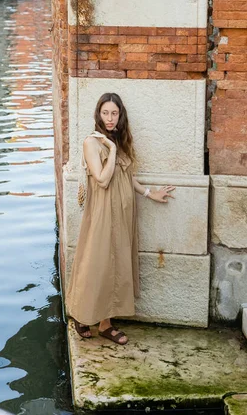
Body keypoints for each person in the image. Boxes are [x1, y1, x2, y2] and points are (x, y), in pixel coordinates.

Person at [66, 92, 175, 345]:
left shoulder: (121, 140)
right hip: (103, 212)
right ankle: (83, 316)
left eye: (114, 113)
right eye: (105, 113)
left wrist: (150, 193)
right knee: (97, 263)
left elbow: (127, 177)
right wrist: (112, 148)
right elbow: (103, 180)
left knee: (117, 264)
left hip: (123, 214)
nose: (110, 118)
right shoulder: (92, 143)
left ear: (120, 115)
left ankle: (106, 324)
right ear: (98, 114)